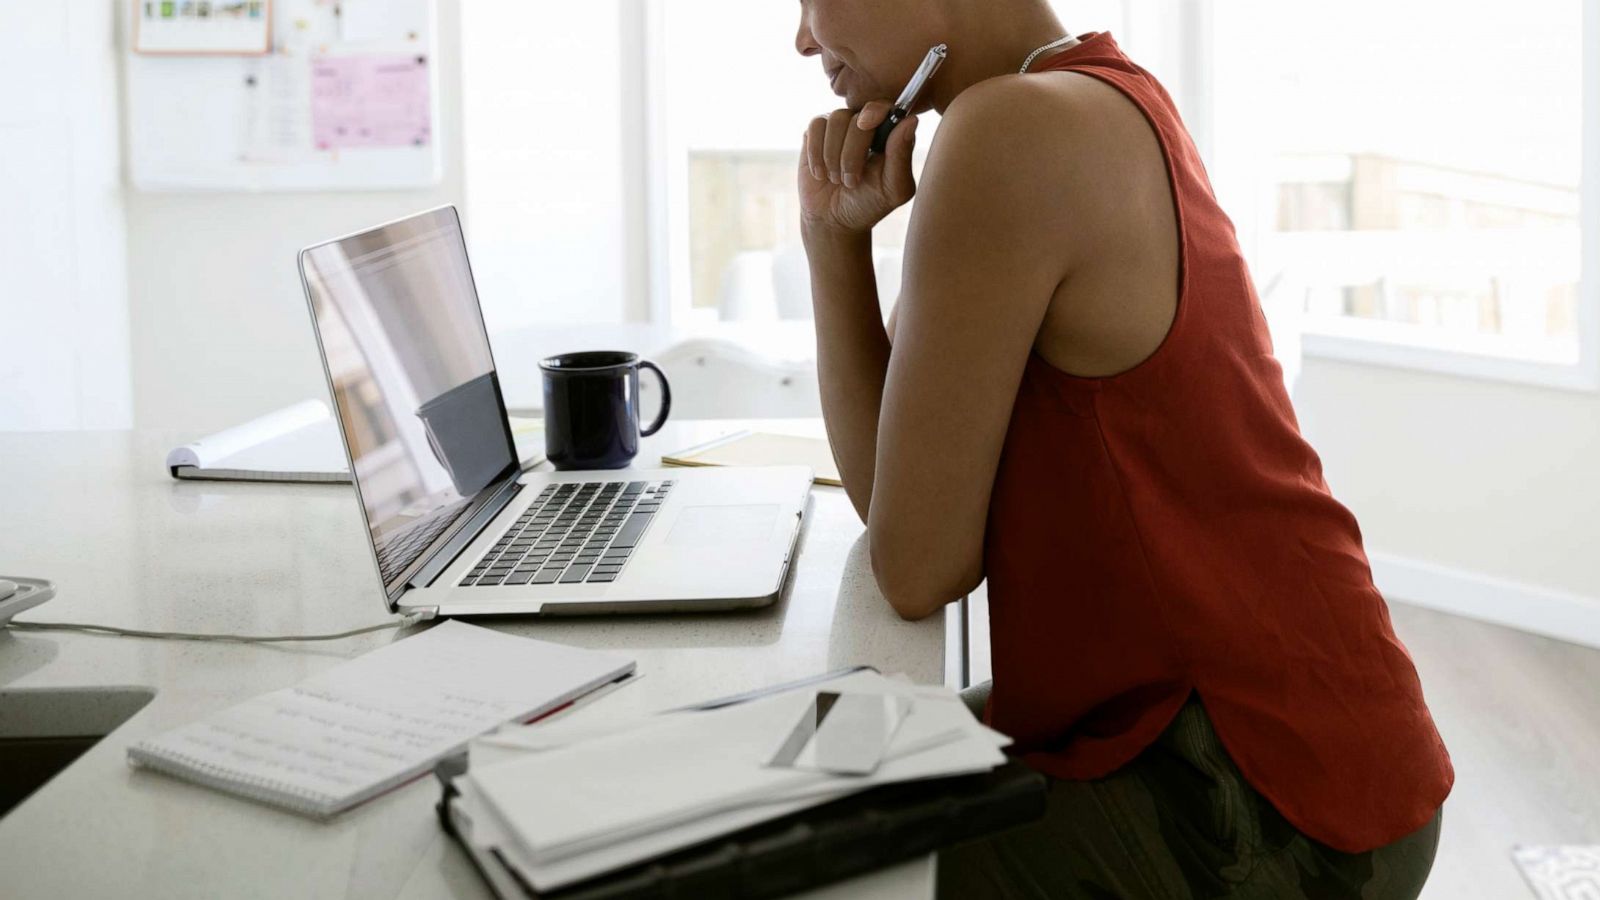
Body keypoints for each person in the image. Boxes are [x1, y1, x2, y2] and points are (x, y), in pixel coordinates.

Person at [793, 1, 1452, 897]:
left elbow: (914, 567)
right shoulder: (1065, 99)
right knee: (798, 774)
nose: (802, 37)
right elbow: (899, 500)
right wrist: (833, 240)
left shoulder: (1014, 131)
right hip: (1248, 727)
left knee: (805, 862)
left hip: (1261, 787)